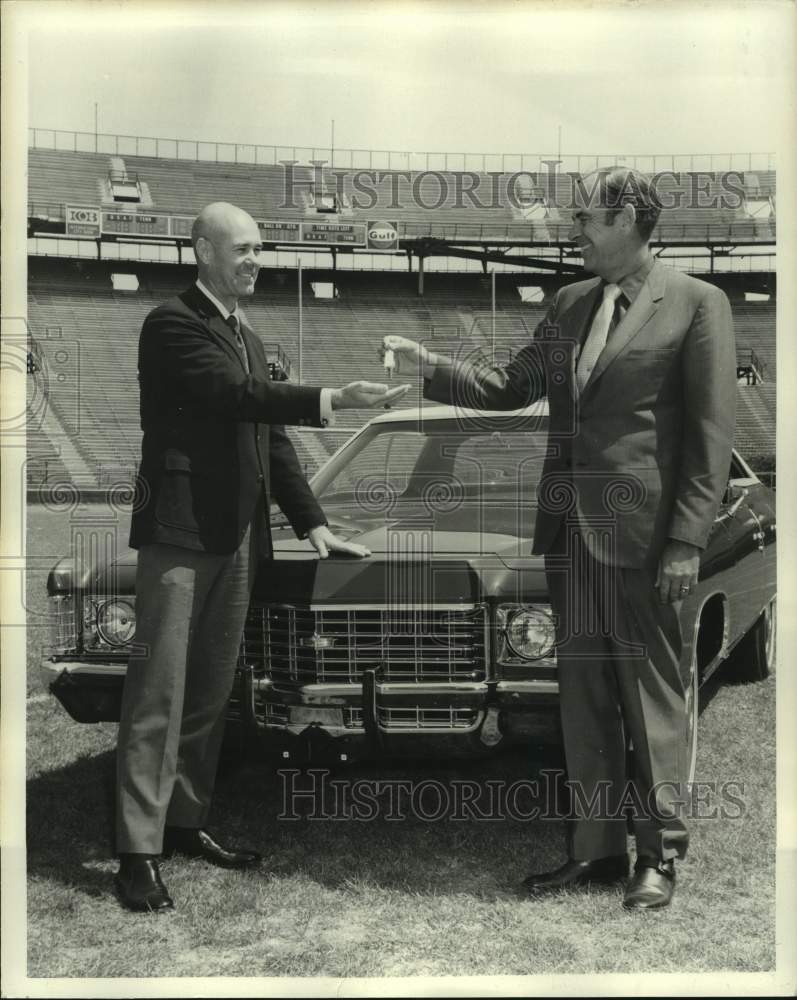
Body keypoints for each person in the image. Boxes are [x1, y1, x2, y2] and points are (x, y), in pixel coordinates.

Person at [383, 167, 736, 910]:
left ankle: (658, 855)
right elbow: (510, 388)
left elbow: (708, 435)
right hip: (569, 532)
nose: (574, 227)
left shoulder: (698, 304)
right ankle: (596, 850)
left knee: (649, 697)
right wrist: (430, 370)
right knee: (580, 697)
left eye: (587, 217)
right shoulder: (570, 302)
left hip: (643, 540)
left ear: (630, 220)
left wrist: (685, 542)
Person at [116, 201, 409, 913]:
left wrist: (311, 525)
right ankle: (136, 852)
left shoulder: (247, 334)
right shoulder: (172, 323)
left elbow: (269, 440)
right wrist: (334, 395)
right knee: (159, 694)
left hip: (241, 537)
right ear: (201, 250)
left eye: (259, 249)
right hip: (180, 535)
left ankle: (185, 823)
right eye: (241, 248)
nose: (254, 259)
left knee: (212, 691)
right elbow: (232, 395)